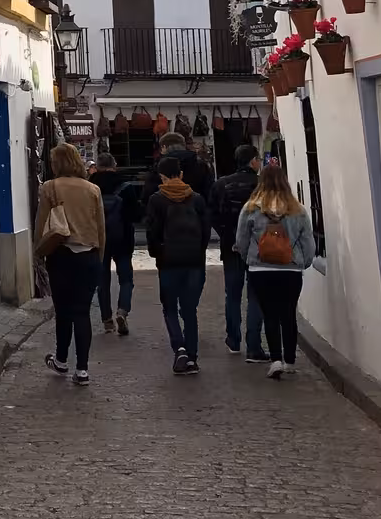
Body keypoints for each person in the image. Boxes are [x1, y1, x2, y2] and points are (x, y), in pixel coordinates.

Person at [235, 163, 317, 378]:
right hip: (290, 270)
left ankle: (276, 359)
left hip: (260, 269)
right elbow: (308, 243)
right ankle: (290, 360)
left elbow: (241, 241)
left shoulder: (251, 208)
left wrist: (250, 259)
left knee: (269, 314)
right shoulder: (297, 210)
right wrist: (303, 262)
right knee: (288, 314)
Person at [34, 143, 105, 386]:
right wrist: (99, 257)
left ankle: (62, 359)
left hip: (61, 254)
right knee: (81, 312)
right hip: (89, 255)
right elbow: (100, 228)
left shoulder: (50, 187)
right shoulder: (93, 189)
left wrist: (38, 254)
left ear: (58, 163)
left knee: (63, 311)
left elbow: (42, 222)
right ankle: (83, 369)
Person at [144, 155, 212, 374]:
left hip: (169, 261)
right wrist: (199, 253)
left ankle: (179, 348)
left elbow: (152, 232)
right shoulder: (197, 198)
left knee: (170, 308)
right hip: (193, 261)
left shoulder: (156, 200)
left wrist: (157, 254)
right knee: (190, 310)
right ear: (181, 175)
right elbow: (206, 231)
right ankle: (192, 357)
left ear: (162, 177)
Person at [211, 144, 267, 361]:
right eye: (258, 159)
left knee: (232, 295)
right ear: (253, 161)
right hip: (258, 247)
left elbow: (213, 214)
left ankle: (233, 340)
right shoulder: (262, 185)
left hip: (231, 247)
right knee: (256, 295)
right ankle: (254, 346)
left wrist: (227, 234)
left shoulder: (222, 184)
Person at [90, 148, 140, 335]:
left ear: (97, 167)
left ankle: (107, 320)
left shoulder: (89, 186)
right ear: (114, 166)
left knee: (102, 280)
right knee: (126, 278)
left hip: (98, 240)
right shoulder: (125, 187)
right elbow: (136, 214)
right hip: (123, 238)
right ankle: (123, 310)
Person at [142, 129, 212, 209]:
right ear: (183, 146)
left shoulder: (159, 167)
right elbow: (209, 193)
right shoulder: (201, 165)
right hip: (195, 216)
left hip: (165, 216)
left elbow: (147, 196)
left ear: (164, 147)